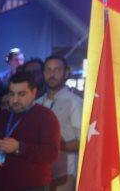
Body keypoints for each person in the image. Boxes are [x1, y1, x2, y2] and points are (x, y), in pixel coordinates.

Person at [0, 71, 60, 191]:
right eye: (12, 94)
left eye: (21, 94)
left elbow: (51, 154)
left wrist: (19, 148)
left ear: (34, 93)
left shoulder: (46, 116)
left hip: (30, 186)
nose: (15, 100)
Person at [36, 56, 81, 191]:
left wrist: (53, 146)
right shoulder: (37, 103)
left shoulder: (75, 102)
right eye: (48, 70)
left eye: (57, 70)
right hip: (39, 172)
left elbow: (83, 141)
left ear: (66, 73)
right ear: (43, 73)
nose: (52, 74)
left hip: (64, 173)